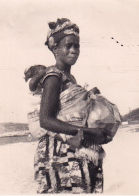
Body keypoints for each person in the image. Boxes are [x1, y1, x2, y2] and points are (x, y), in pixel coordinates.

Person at [31, 18, 114, 194]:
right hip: (58, 151)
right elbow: (45, 120)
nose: (74, 50)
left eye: (77, 46)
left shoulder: (70, 79)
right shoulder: (54, 76)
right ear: (55, 49)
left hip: (73, 148)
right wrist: (89, 132)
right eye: (68, 46)